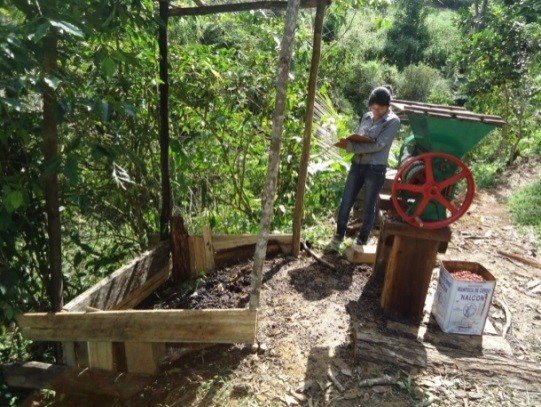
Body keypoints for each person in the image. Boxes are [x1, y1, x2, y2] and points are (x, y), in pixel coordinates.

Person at [325, 85, 401, 253]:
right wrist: (352, 141)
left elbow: (379, 145)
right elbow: (362, 137)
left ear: (387, 106)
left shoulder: (393, 121)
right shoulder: (366, 117)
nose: (376, 111)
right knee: (346, 200)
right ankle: (338, 236)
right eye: (373, 107)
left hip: (375, 168)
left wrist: (350, 146)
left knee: (369, 206)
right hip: (357, 164)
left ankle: (361, 240)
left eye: (380, 108)